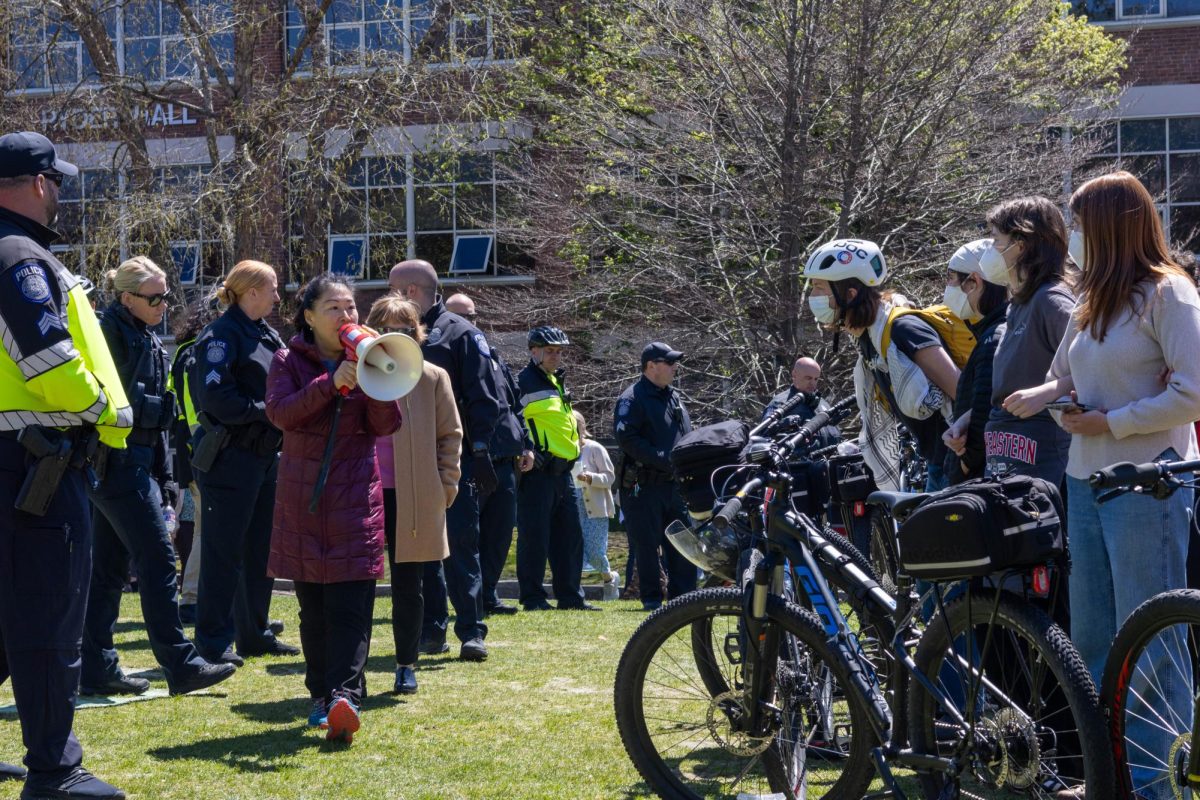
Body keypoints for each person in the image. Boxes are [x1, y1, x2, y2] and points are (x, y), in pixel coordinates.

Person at [1006, 172, 1200, 800]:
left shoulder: (1170, 294)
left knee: (1149, 637)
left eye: (1083, 224)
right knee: (1092, 636)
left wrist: (1110, 421)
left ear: (1114, 225)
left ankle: (1154, 783)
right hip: (1084, 483)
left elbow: (1192, 394)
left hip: (1148, 485)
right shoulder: (1094, 296)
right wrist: (1044, 394)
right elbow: (1065, 371)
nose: (1075, 237)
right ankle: (1104, 778)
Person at [0, 131, 130, 798]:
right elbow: (47, 358)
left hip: (16, 463)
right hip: (38, 468)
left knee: (9, 619)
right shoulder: (19, 255)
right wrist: (102, 404)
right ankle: (54, 772)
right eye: (57, 183)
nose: (60, 196)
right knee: (48, 620)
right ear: (40, 183)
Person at [80, 257, 236, 698]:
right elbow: (109, 401)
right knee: (158, 560)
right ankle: (180, 665)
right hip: (115, 463)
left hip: (135, 462)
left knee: (109, 570)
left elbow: (156, 416)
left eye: (165, 295)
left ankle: (96, 667)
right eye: (155, 297)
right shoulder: (109, 332)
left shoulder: (142, 333)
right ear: (127, 297)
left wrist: (164, 475)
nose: (164, 304)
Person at [266, 273, 401, 742]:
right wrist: (330, 383)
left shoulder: (366, 353)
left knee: (352, 605)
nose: (347, 317)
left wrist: (376, 377)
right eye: (334, 309)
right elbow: (281, 413)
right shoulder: (288, 360)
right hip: (305, 500)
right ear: (308, 316)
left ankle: (346, 696)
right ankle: (320, 695)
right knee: (315, 609)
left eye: (351, 308)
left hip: (355, 496)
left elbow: (385, 425)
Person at [389, 260, 503, 660]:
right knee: (424, 550)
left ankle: (471, 630)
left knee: (460, 544)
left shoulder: (459, 333)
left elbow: (484, 397)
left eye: (393, 290)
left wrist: (481, 451)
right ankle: (431, 630)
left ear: (412, 293)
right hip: (407, 460)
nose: (389, 298)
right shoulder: (393, 337)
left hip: (453, 457)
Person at [189, 260, 299, 665]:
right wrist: (269, 411)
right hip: (230, 456)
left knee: (260, 550)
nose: (277, 295)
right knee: (224, 552)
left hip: (264, 456)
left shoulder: (263, 333)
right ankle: (214, 641)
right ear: (251, 291)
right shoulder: (221, 335)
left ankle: (254, 632)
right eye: (271, 288)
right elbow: (216, 399)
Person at [801, 238, 961, 492]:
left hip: (959, 462)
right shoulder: (868, 337)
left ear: (849, 294)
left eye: (819, 288)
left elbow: (960, 389)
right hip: (938, 460)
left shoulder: (902, 328)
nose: (813, 297)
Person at [366, 295, 462, 695]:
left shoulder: (433, 376)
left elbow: (450, 435)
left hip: (416, 497)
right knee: (357, 586)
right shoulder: (357, 373)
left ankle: (406, 664)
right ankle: (351, 670)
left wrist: (445, 485)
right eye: (387, 328)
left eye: (405, 329)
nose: (397, 336)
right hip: (364, 495)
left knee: (410, 585)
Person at [446, 292, 534, 616]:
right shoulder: (446, 358)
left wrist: (526, 444)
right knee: (467, 536)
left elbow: (513, 405)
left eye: (472, 315)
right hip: (470, 459)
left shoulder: (493, 357)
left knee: (499, 533)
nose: (468, 322)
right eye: (459, 316)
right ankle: (467, 603)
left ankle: (488, 594)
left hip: (505, 459)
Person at [981, 197, 1076, 483]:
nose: (990, 248)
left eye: (996, 239)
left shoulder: (1052, 300)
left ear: (1020, 245)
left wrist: (1046, 393)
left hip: (1043, 443)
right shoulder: (1019, 302)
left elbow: (1097, 369)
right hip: (1004, 443)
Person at [516, 326, 600, 611]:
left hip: (564, 473)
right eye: (550, 350)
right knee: (535, 538)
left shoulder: (556, 380)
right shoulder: (523, 382)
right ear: (534, 351)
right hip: (539, 473)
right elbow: (512, 420)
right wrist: (526, 449)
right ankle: (533, 598)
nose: (555, 356)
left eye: (559, 351)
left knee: (569, 538)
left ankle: (571, 597)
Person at [615, 341, 695, 611]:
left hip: (674, 485)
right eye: (669, 362)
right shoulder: (632, 398)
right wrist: (662, 458)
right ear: (651, 366)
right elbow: (627, 439)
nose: (675, 367)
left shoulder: (672, 395)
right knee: (647, 544)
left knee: (682, 542)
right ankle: (651, 600)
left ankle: (683, 598)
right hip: (644, 484)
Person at [168, 297, 222, 625]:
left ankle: (194, 598)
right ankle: (191, 598)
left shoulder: (184, 351)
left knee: (204, 528)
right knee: (206, 530)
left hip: (194, 451)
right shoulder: (196, 352)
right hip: (204, 451)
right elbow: (193, 410)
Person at [941, 240, 1010, 483]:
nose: (947, 287)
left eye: (950, 278)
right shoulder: (1002, 328)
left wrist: (963, 466)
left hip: (981, 480)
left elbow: (985, 411)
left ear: (974, 282)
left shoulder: (994, 337)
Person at [572, 410, 618, 587]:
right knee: (573, 551)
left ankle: (609, 579)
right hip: (572, 508)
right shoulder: (564, 449)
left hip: (595, 509)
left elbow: (610, 477)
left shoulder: (594, 448)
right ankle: (574, 590)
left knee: (596, 552)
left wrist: (590, 477)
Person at [761, 356, 841, 452]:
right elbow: (764, 438)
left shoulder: (823, 404)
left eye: (816, 379)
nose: (813, 383)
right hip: (799, 465)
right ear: (794, 374)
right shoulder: (780, 404)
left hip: (830, 463)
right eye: (808, 378)